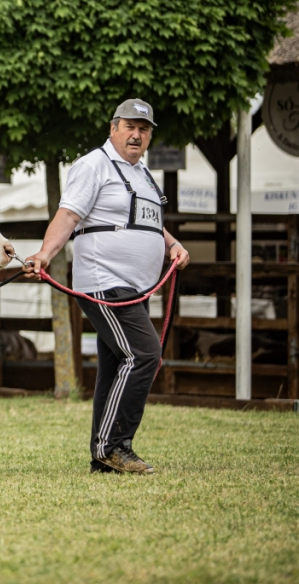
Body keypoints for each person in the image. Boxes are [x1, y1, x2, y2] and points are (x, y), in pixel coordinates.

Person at [24, 99, 190, 474]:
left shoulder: (142, 174)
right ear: (113, 127)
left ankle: (104, 456)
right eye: (130, 126)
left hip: (138, 285)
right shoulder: (93, 165)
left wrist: (172, 244)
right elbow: (69, 214)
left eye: (144, 129)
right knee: (145, 355)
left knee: (116, 364)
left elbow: (145, 223)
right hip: (105, 282)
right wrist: (46, 253)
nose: (137, 134)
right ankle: (114, 446)